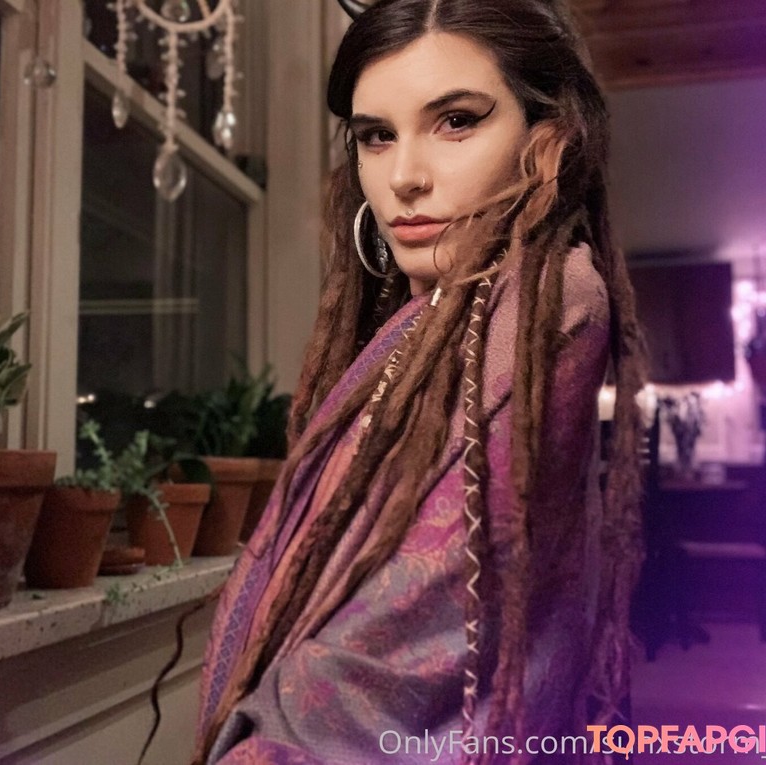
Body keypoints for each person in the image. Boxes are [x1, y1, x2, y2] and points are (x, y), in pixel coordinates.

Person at [192, 1, 648, 762]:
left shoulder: (547, 300)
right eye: (377, 135)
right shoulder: (424, 319)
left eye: (456, 121)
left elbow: (395, 654)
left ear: (547, 137)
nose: (403, 177)